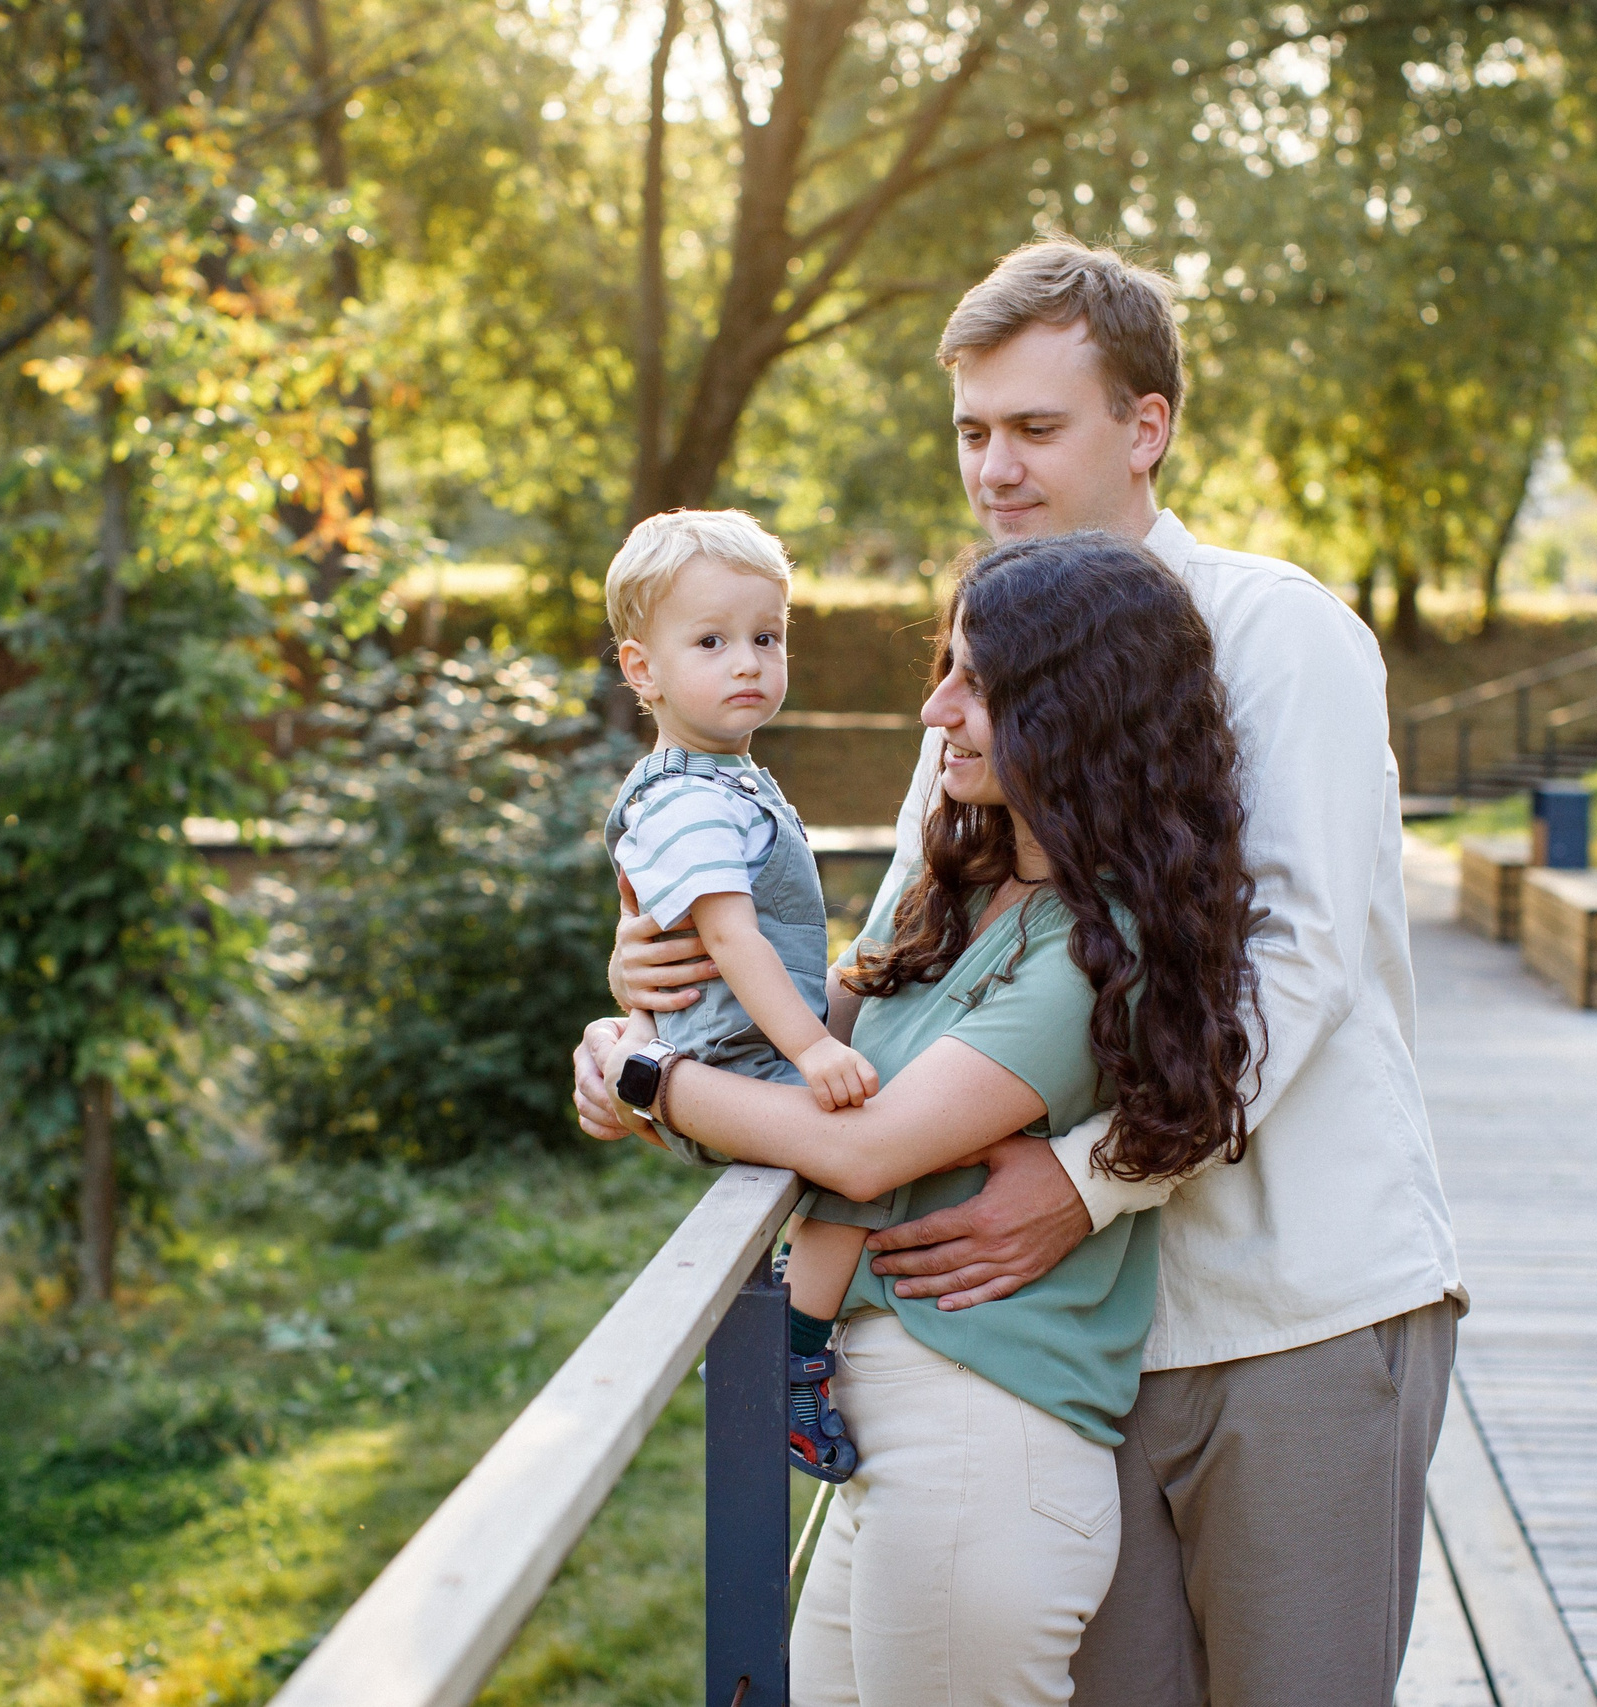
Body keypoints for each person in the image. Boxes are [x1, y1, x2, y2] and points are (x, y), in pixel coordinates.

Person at [576, 237, 1468, 1706]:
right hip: (1052, 1339)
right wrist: (664, 1010)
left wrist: (1087, 1177)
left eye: (1034, 427)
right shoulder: (987, 668)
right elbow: (904, 952)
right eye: (973, 430)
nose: (993, 466)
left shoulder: (1280, 631)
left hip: (1288, 1305)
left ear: (1147, 425)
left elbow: (1286, 968)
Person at [593, 531, 1261, 1706]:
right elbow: (794, 1048)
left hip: (979, 1445)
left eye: (973, 682)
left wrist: (648, 1081)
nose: (933, 707)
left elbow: (856, 1144)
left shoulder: (1095, 947)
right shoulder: (957, 890)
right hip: (894, 1440)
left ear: (1074, 709)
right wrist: (633, 1015)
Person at [598, 507, 891, 1482]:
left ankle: (793, 1319)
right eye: (712, 642)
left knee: (868, 1164)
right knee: (869, 1167)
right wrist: (812, 1051)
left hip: (735, 1053)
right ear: (643, 671)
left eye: (767, 638)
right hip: (729, 1067)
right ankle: (794, 1364)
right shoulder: (687, 802)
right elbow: (727, 937)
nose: (749, 663)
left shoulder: (725, 782)